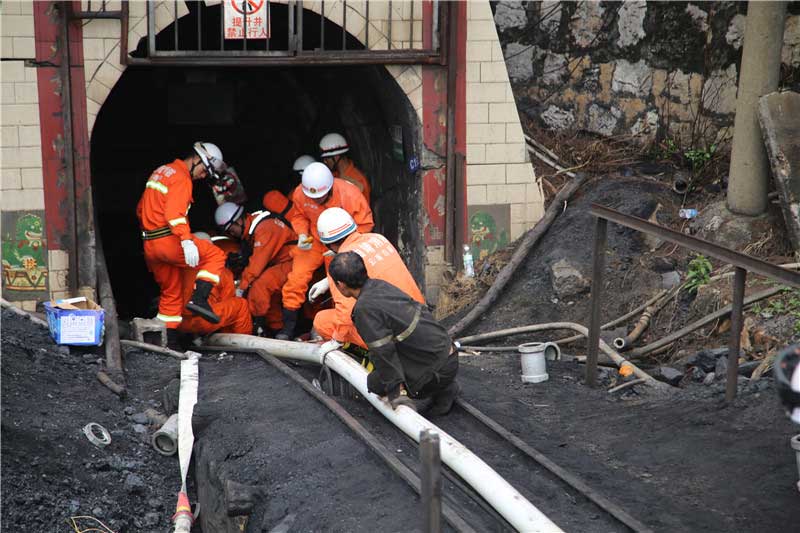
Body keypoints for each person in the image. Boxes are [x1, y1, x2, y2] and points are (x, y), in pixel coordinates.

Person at [328, 251, 460, 415]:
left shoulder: (364, 309)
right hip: (449, 355)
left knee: (375, 383)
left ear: (340, 284)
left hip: (436, 372)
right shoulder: (379, 285)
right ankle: (445, 388)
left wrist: (396, 393)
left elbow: (382, 351)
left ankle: (434, 388)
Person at [136, 142, 228, 330]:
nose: (203, 176)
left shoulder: (161, 172)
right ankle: (199, 299)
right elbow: (174, 214)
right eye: (204, 171)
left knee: (171, 291)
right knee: (216, 255)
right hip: (167, 241)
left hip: (150, 245)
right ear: (196, 159)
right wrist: (186, 240)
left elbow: (140, 209)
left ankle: (167, 340)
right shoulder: (181, 178)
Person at [278, 162, 374, 340]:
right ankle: (287, 329)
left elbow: (365, 225)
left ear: (330, 187)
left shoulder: (349, 194)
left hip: (341, 242)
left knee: (341, 283)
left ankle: (342, 330)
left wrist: (345, 247)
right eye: (312, 198)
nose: (316, 201)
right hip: (314, 239)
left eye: (320, 198)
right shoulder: (301, 193)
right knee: (297, 277)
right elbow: (298, 215)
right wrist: (301, 234)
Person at [311, 207, 424, 355]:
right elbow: (371, 264)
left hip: (396, 337)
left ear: (327, 243)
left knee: (321, 321)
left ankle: (359, 355)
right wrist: (327, 281)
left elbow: (345, 316)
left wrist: (336, 340)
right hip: (420, 318)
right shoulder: (378, 239)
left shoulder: (339, 268)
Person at [215, 198, 296, 334]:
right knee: (266, 288)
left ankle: (261, 326)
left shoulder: (265, 228)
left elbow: (256, 265)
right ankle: (276, 328)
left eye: (231, 229)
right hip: (281, 262)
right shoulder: (253, 230)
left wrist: (241, 288)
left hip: (293, 260)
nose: (231, 234)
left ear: (239, 221)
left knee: (260, 285)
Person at [177, 234, 252, 336]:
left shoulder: (176, 269)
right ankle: (236, 344)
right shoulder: (220, 271)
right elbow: (227, 298)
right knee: (241, 305)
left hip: (177, 322)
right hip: (202, 321)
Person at [319, 132, 371, 203]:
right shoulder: (334, 175)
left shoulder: (357, 180)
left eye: (326, 158)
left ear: (336, 157)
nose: (325, 162)